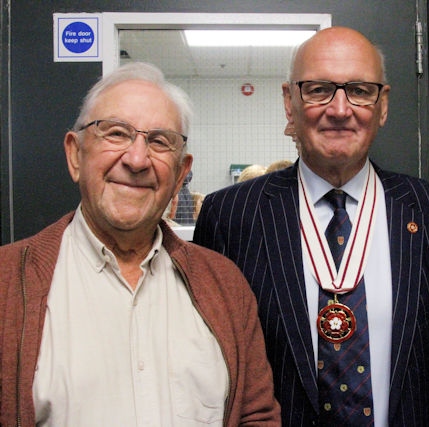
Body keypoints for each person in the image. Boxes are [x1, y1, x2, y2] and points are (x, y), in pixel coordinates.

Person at [194, 27, 429, 426]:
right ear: (290, 102)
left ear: (383, 104)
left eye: (359, 90)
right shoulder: (231, 217)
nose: (339, 109)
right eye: (319, 89)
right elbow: (210, 362)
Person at [0, 62, 280, 426]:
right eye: (115, 133)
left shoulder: (226, 287)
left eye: (160, 142)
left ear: (181, 173)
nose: (136, 159)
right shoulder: (7, 283)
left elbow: (255, 416)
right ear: (75, 155)